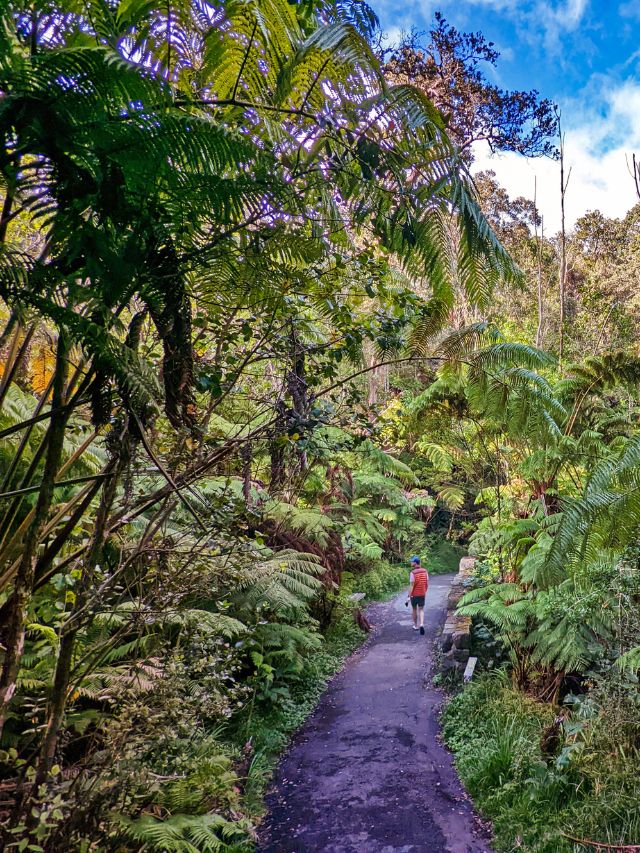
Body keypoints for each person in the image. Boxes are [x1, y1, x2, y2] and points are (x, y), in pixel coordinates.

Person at [406, 555, 428, 635]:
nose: (411, 562)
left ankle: (416, 625)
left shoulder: (413, 573)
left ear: (415, 563)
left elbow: (411, 585)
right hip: (422, 593)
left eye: (412, 561)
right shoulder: (425, 571)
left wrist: (409, 596)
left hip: (414, 595)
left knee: (414, 609)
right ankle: (422, 624)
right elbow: (426, 582)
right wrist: (424, 591)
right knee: (421, 609)